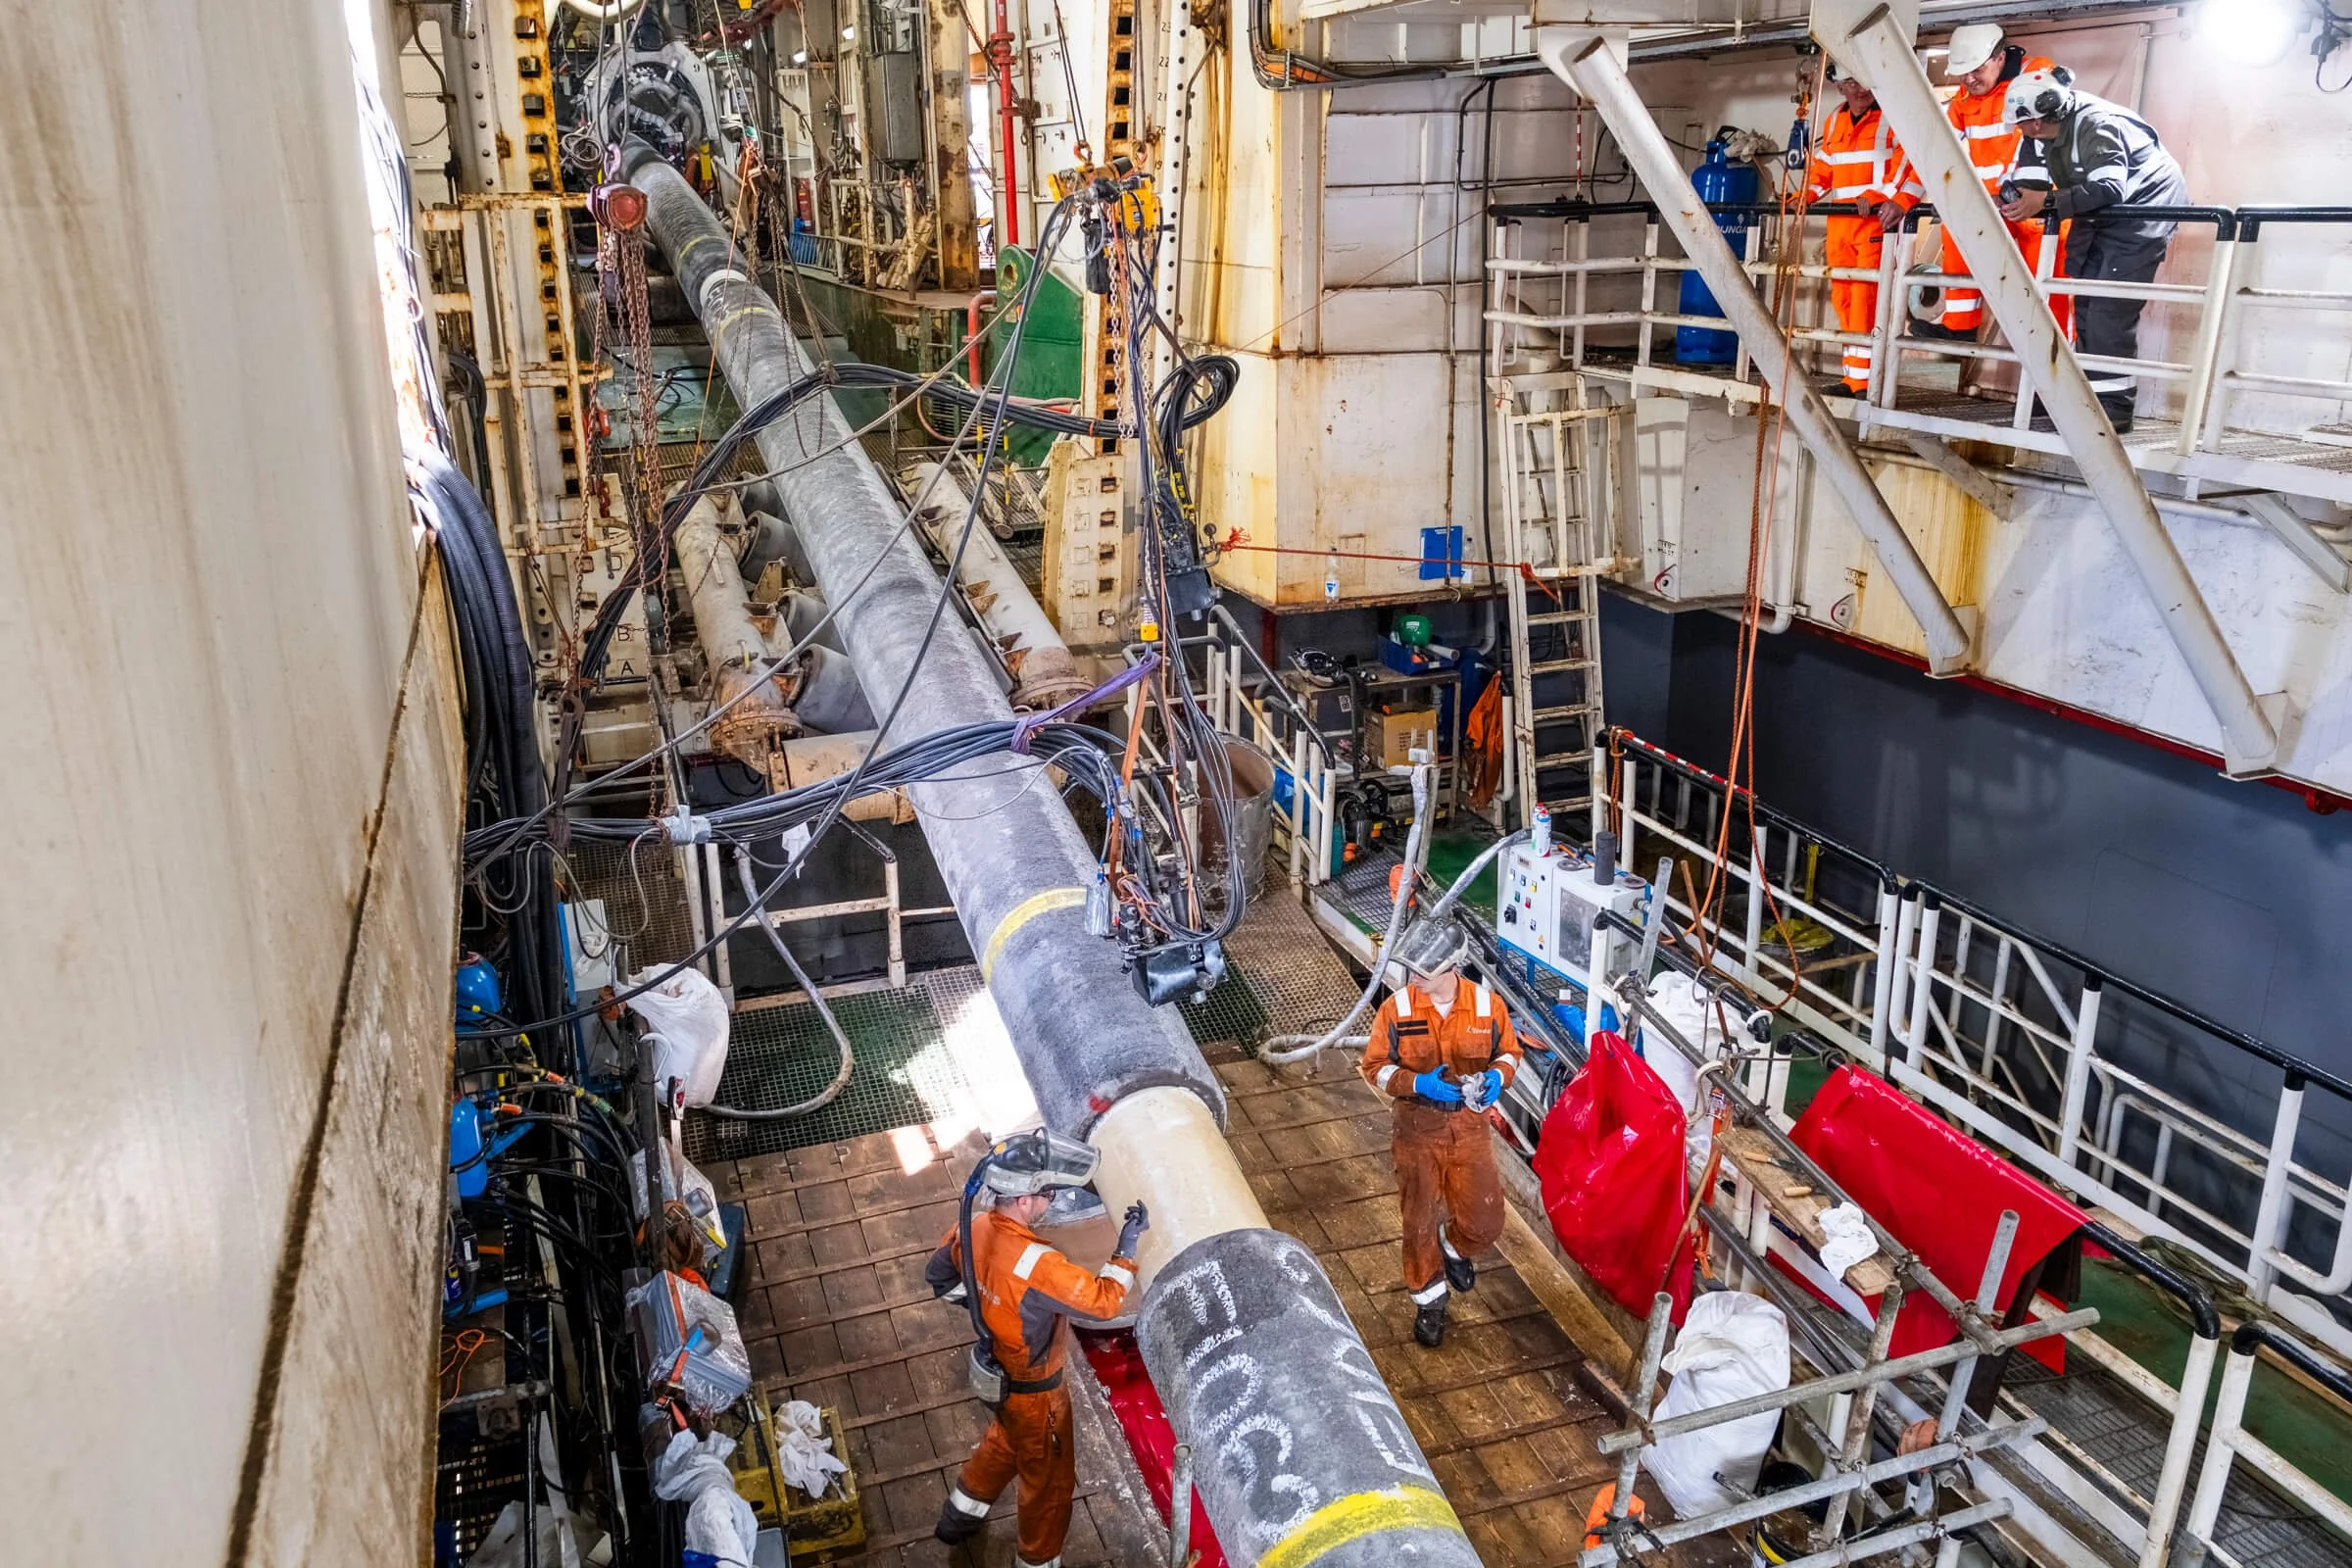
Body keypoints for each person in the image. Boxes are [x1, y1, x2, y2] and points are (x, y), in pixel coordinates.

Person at [926, 1130, 1150, 1567]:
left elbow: (938, 1277)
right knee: (1047, 1484)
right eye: (1048, 1193)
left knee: (1007, 1440)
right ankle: (1037, 1561)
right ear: (1024, 1200)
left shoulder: (974, 1226)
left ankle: (960, 1515)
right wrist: (1126, 1246)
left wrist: (987, 1305)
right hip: (1037, 1394)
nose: (1051, 1200)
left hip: (999, 1370)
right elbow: (1103, 1302)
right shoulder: (1038, 1265)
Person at [1358, 915, 1523, 1348]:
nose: (1414, 977)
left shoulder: (1488, 1008)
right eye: (1411, 969)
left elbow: (1509, 1053)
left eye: (1423, 971)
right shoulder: (1398, 1008)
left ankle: (1455, 1247)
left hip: (1470, 1128)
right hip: (1416, 1129)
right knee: (1418, 1220)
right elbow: (1373, 1067)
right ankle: (1429, 1301)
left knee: (1486, 1220)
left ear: (1451, 968)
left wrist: (1497, 1079)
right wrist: (1417, 1083)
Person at [1999, 68, 2188, 430]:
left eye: (2021, 124)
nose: (2019, 130)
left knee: (2108, 309)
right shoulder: (2049, 134)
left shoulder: (2095, 124)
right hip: (2101, 214)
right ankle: (2082, 399)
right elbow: (2044, 184)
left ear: (2037, 121)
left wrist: (2049, 202)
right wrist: (2021, 199)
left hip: (2140, 215)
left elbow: (2110, 187)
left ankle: (2114, 410)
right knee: (2083, 299)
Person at [1893, 24, 2071, 340]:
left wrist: (2019, 192)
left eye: (1975, 70)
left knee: (2046, 284)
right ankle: (1960, 326)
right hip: (1990, 203)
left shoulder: (2036, 76)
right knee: (1957, 226)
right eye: (1962, 73)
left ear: (1999, 58)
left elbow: (2043, 139)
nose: (1968, 80)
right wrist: (1904, 200)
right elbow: (1937, 151)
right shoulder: (1964, 98)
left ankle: (2056, 357)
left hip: (2037, 205)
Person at [1803, 63, 1911, 393]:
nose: (1859, 89)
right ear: (1839, 86)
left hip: (1874, 225)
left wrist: (1877, 195)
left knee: (1867, 300)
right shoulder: (1835, 119)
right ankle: (1852, 377)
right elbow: (1824, 167)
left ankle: (1867, 381)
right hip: (1840, 225)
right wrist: (1803, 195)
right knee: (1845, 300)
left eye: (1863, 81)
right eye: (1851, 82)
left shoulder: (1893, 117)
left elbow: (1906, 163)